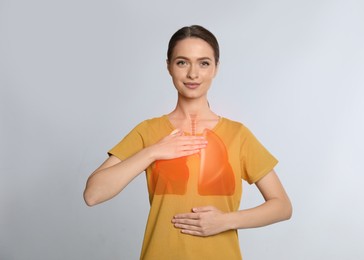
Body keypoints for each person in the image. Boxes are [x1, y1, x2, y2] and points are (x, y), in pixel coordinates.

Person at [83, 25, 292, 260]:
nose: (193, 74)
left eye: (203, 63)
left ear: (215, 68)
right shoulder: (149, 131)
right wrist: (152, 152)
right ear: (169, 67)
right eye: (182, 62)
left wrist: (225, 221)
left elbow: (282, 206)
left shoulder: (237, 135)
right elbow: (93, 194)